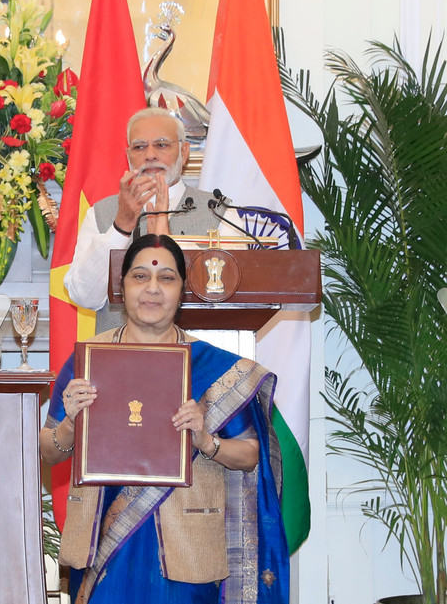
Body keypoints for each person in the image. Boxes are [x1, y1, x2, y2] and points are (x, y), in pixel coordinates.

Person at [42, 234, 288, 604]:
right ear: (121, 287)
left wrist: (206, 441)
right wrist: (71, 425)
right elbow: (48, 451)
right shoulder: (87, 362)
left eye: (167, 278)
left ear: (182, 291)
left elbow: (251, 455)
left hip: (188, 548)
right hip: (102, 545)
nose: (152, 288)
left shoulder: (214, 367)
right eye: (140, 277)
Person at [64, 107, 243, 333]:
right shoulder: (100, 212)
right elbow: (84, 296)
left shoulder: (219, 211)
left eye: (161, 145)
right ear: (128, 156)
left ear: (184, 152)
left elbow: (235, 290)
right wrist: (121, 227)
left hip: (200, 358)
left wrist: (168, 242)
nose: (150, 155)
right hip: (120, 358)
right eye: (139, 147)